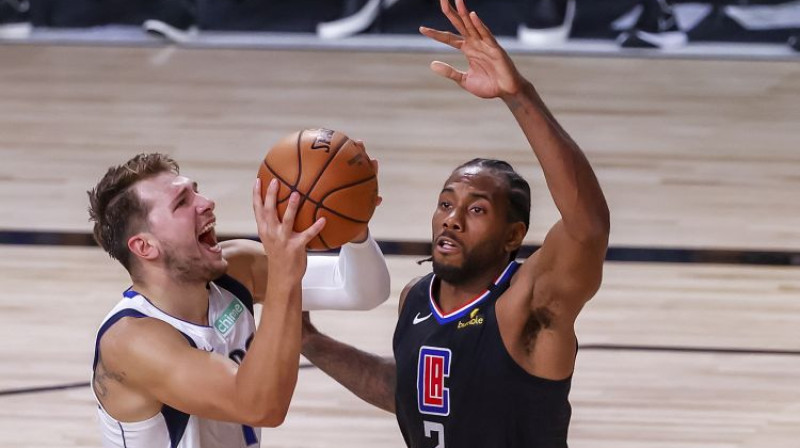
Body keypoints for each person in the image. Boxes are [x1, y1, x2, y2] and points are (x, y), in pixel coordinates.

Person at [301, 0, 610, 446]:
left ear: (514, 236)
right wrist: (310, 341)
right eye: (446, 203)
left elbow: (588, 226)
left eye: (477, 209)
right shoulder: (418, 297)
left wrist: (517, 94)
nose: (453, 220)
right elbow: (412, 393)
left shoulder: (529, 304)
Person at [88, 152, 390, 448]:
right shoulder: (131, 341)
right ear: (144, 246)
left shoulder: (237, 269)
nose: (206, 203)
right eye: (182, 203)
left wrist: (352, 224)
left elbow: (361, 291)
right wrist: (284, 277)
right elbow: (261, 407)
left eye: (196, 192)